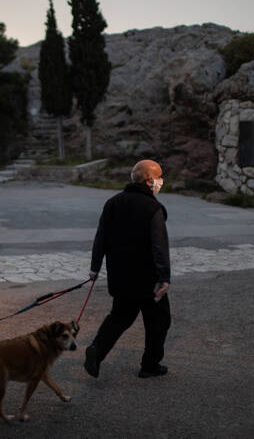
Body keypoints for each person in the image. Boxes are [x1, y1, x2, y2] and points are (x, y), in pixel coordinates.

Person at [84, 159, 171, 379]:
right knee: (158, 321)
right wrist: (164, 277)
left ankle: (96, 350)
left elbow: (100, 236)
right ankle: (150, 365)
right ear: (149, 180)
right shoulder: (153, 208)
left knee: (120, 317)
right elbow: (159, 245)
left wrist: (95, 267)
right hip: (148, 279)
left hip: (120, 276)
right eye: (159, 178)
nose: (161, 182)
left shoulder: (113, 202)